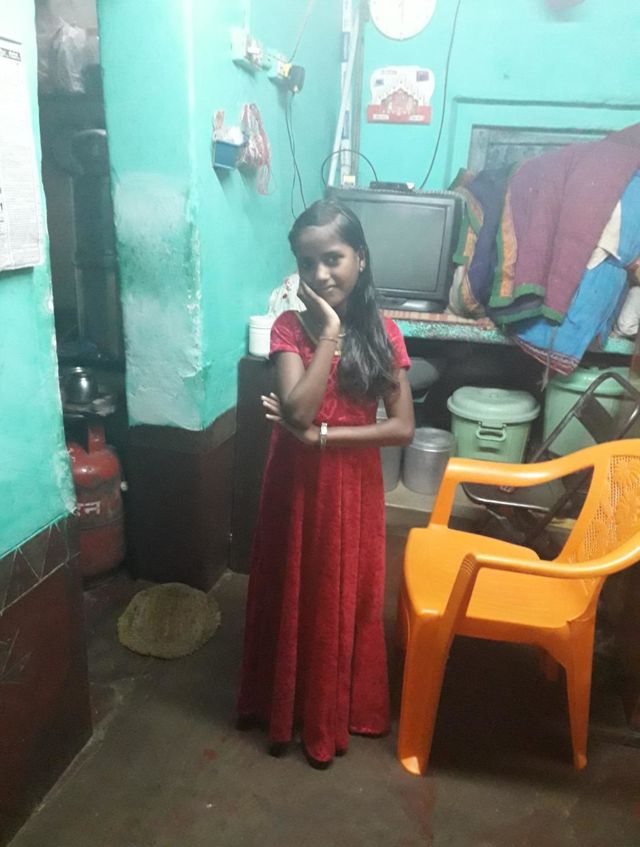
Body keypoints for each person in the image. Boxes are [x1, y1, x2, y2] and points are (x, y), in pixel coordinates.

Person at [237, 199, 415, 768]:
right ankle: (283, 705)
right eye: (306, 262)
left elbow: (403, 428)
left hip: (351, 483)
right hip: (292, 485)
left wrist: (322, 438)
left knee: (345, 592)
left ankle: (334, 710)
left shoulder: (385, 333)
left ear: (360, 257)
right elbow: (297, 410)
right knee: (292, 584)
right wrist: (332, 334)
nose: (320, 274)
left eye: (333, 258)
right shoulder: (290, 328)